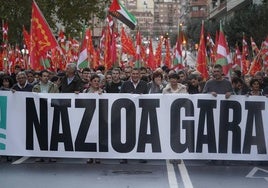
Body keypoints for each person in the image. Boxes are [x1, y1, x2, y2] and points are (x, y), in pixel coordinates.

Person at [120, 67, 148, 164]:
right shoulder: (125, 84)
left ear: (140, 75)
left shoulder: (145, 85)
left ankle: (141, 155)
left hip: (141, 114)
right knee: (127, 135)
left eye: (137, 74)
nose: (135, 75)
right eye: (133, 73)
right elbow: (120, 97)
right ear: (131, 74)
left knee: (140, 135)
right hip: (128, 114)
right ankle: (125, 156)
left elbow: (148, 98)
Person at [32, 70, 59, 162]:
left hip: (51, 111)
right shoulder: (36, 87)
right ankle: (40, 154)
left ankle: (52, 155)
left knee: (52, 133)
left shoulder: (54, 86)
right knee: (40, 134)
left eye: (47, 76)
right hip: (40, 112)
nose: (46, 77)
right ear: (40, 77)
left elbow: (57, 97)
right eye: (44, 76)